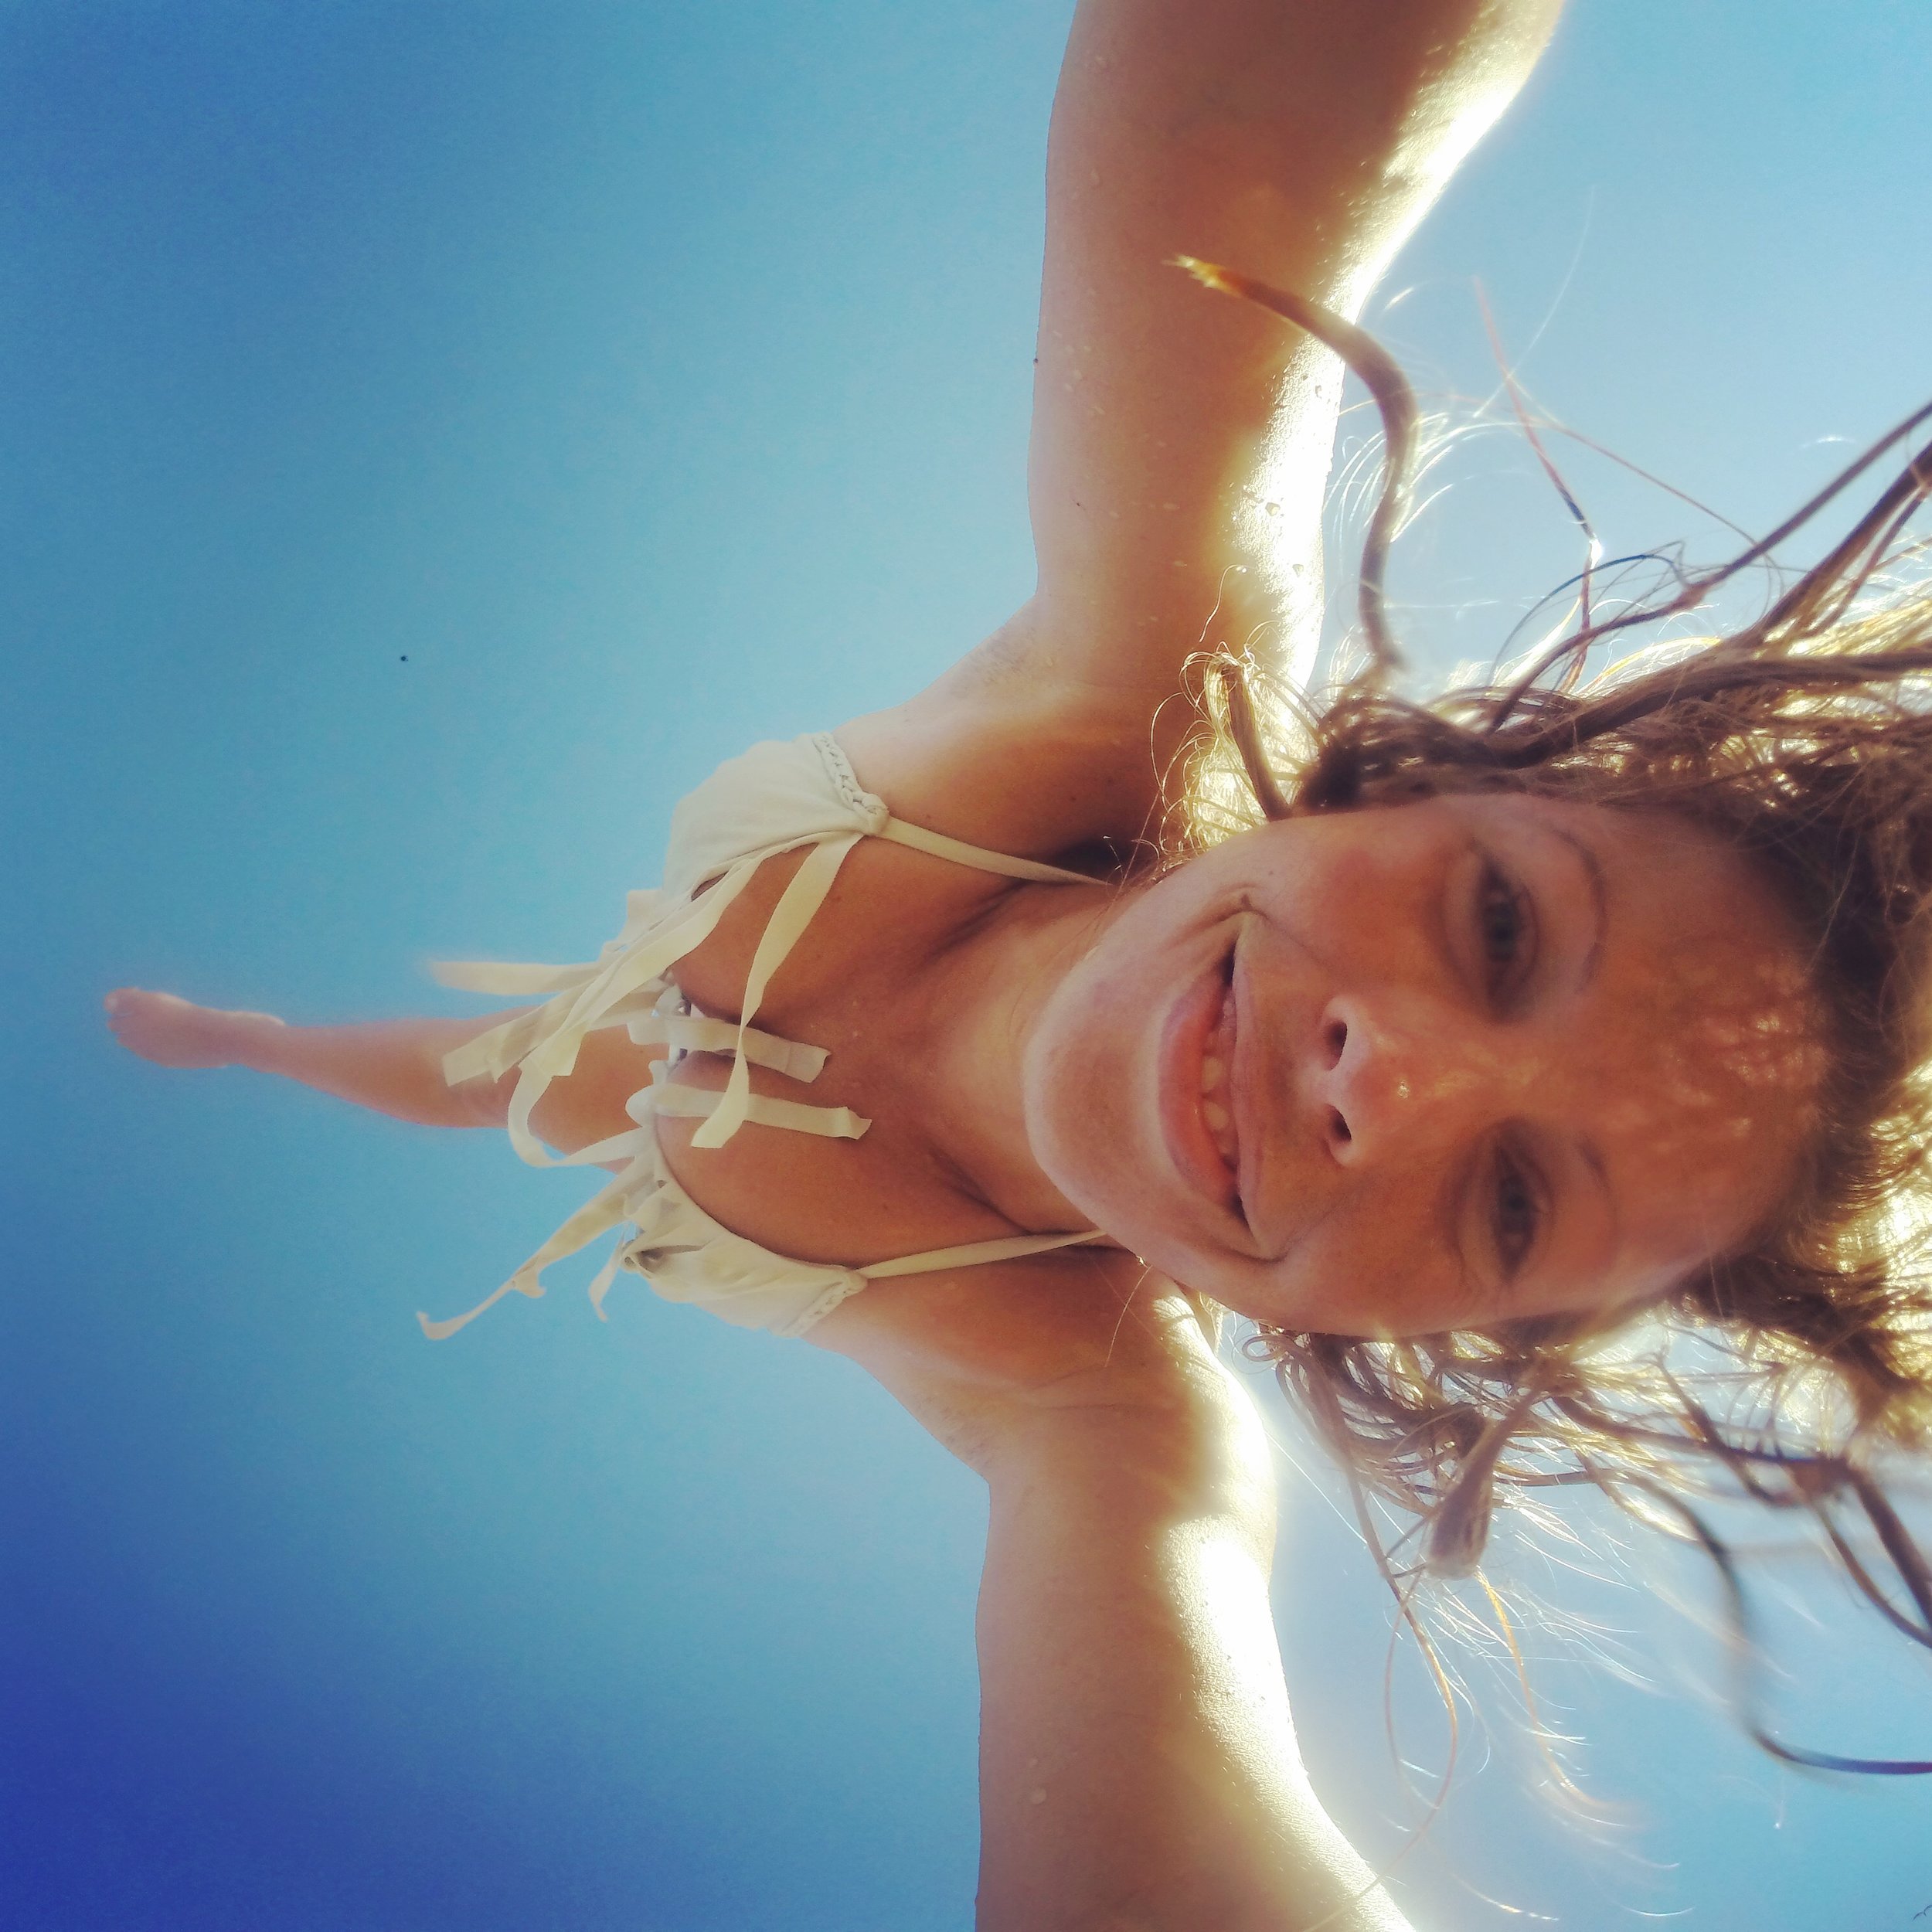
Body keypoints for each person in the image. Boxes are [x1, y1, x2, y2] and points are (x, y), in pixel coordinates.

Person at [103, 0, 1932, 1923]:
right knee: (515, 1060)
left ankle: (263, 1046)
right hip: (650, 998)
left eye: (1504, 1198)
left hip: (666, 1129)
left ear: (1425, 1336)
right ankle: (263, 1040)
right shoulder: (1149, 680)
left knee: (544, 1098)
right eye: (1496, 925)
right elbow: (1251, 108)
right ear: (1405, 788)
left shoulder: (1093, 1414)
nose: (1378, 1079)